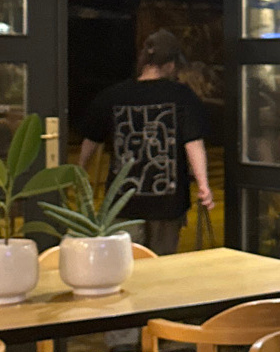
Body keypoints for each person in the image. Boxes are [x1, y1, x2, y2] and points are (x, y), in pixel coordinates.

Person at [78, 29, 213, 256]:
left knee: (126, 265)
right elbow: (193, 143)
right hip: (168, 204)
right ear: (170, 64)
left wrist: (80, 171)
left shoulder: (114, 96)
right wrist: (203, 185)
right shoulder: (181, 96)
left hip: (123, 202)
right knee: (163, 266)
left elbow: (91, 139)